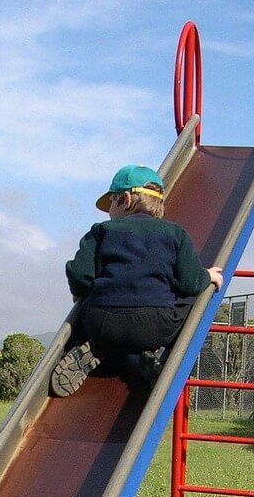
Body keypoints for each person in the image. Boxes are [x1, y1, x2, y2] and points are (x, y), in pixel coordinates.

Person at [51, 164, 223, 396]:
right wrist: (206, 275)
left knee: (94, 295)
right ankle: (162, 356)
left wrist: (79, 290)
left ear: (126, 199)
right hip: (155, 327)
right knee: (191, 297)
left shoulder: (101, 231)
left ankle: (95, 346)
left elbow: (81, 274)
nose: (109, 212)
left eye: (111, 203)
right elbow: (190, 282)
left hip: (101, 324)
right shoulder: (176, 233)